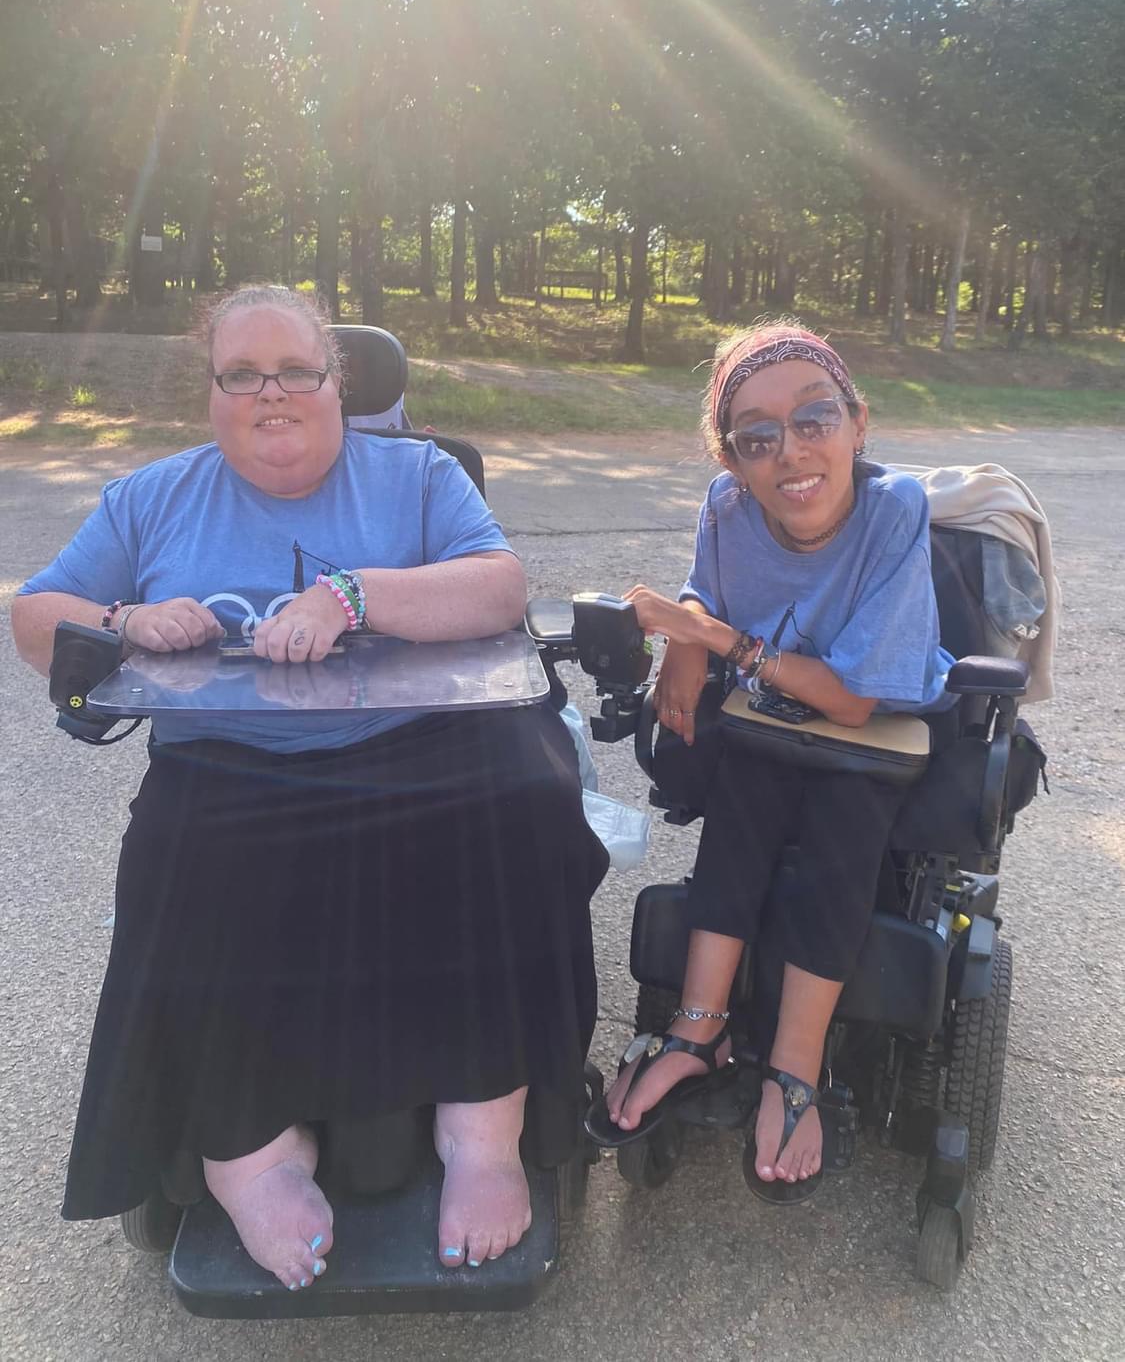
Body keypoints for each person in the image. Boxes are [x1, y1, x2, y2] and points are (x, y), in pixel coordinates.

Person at [12, 285, 607, 1288]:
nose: (271, 392)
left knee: (528, 800)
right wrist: (122, 619)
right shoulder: (152, 498)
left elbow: (499, 588)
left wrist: (353, 594)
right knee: (176, 852)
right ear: (210, 393)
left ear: (339, 383)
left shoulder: (417, 477)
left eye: (296, 369)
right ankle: (250, 1155)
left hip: (430, 747)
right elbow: (35, 615)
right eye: (241, 375)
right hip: (235, 761)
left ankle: (484, 1127)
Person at [586, 323, 953, 1202]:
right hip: (776, 719)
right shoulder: (726, 506)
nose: (788, 452)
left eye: (812, 419)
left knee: (840, 822)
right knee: (741, 802)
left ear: (856, 425)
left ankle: (797, 1063)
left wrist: (710, 640)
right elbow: (705, 591)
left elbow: (855, 700)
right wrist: (684, 632)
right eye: (755, 438)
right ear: (734, 459)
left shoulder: (893, 507)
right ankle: (695, 1030)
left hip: (869, 726)